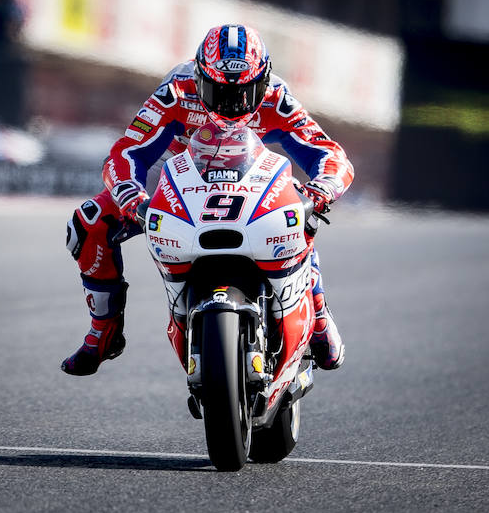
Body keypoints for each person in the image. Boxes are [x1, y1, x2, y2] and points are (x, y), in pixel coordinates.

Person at [62, 24, 354, 376]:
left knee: (297, 208)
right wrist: (130, 196)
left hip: (251, 180)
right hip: (171, 178)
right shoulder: (175, 93)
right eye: (218, 91)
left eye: (244, 93)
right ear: (200, 78)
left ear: (262, 82)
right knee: (88, 222)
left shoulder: (277, 97)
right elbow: (125, 153)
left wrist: (321, 190)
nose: (232, 105)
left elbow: (331, 154)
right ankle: (103, 332)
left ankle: (317, 312)